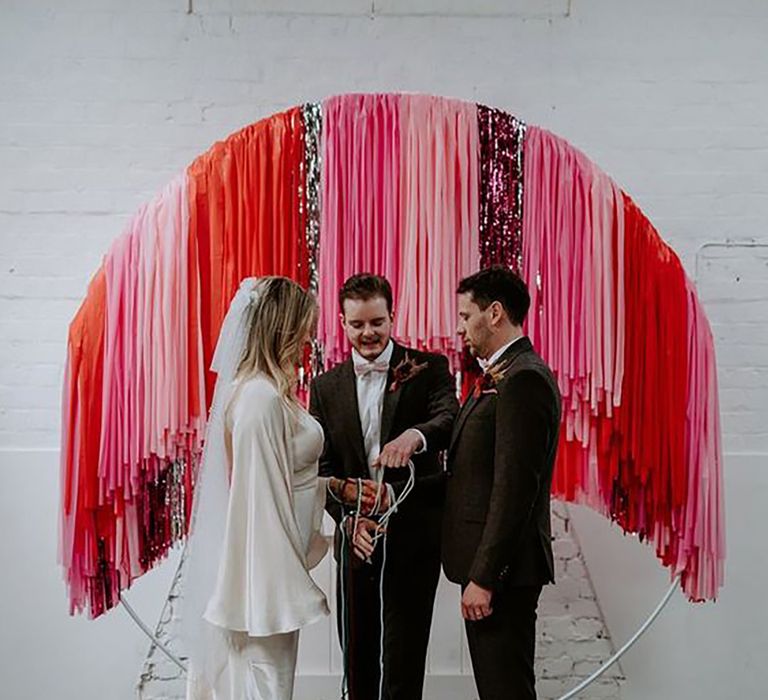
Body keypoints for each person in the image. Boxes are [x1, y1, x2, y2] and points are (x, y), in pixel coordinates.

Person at [309, 273, 458, 700]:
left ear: (393, 316)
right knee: (356, 655)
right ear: (342, 322)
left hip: (413, 536)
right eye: (357, 324)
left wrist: (415, 436)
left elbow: (449, 419)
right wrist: (348, 520)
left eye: (377, 322)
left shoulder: (429, 369)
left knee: (405, 658)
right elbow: (323, 466)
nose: (368, 333)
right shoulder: (324, 387)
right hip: (354, 538)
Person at [183, 276, 331, 700]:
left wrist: (334, 487)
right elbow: (261, 500)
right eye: (303, 327)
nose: (308, 338)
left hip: (271, 575)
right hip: (263, 591)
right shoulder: (259, 400)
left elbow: (284, 478)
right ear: (282, 327)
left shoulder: (264, 394)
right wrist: (282, 596)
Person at [442, 267, 562, 700]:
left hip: (502, 575)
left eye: (464, 315)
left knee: (505, 691)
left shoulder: (523, 378)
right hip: (489, 569)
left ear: (494, 314)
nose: (459, 327)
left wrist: (485, 576)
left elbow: (515, 489)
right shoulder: (503, 373)